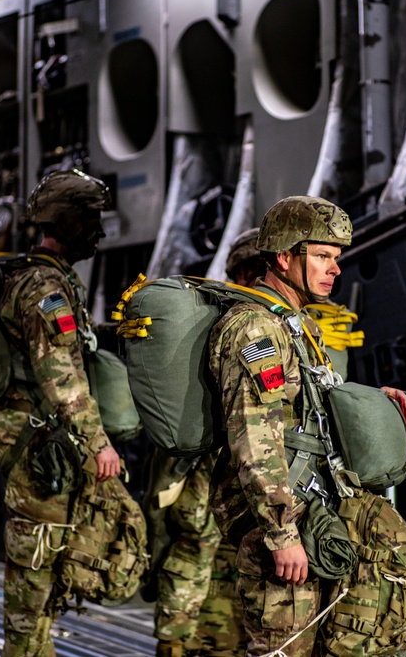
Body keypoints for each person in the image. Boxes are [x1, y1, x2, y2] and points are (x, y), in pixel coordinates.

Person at [207, 196, 406, 657]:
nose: (335, 270)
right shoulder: (255, 329)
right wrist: (282, 536)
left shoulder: (297, 325)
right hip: (281, 527)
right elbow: (254, 438)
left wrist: (374, 402)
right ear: (284, 257)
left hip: (310, 515)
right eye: (322, 256)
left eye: (336, 258)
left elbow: (311, 409)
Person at [0, 169, 125, 656]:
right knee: (32, 588)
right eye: (91, 219)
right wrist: (97, 442)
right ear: (68, 222)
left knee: (44, 584)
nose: (98, 231)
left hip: (46, 442)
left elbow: (67, 347)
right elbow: (58, 370)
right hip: (38, 445)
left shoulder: (51, 279)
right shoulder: (45, 287)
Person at [144, 228, 262, 657]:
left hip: (207, 462)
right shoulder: (242, 324)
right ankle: (180, 639)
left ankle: (187, 639)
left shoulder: (208, 319)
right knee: (202, 545)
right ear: (249, 271)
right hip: (212, 462)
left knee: (207, 550)